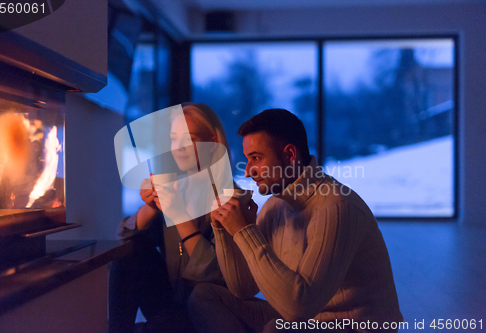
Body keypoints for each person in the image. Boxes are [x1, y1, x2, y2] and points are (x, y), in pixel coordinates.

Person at [188, 109, 403, 332]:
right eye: (247, 159)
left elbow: (298, 309)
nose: (249, 171)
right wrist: (224, 228)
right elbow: (243, 289)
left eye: (256, 158)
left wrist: (245, 232)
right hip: (306, 322)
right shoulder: (275, 205)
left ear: (290, 155)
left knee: (277, 329)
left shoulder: (338, 207)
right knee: (205, 296)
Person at [109, 103, 233, 333]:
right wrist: (150, 207)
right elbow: (123, 241)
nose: (179, 147)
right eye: (174, 139)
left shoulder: (233, 199)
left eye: (190, 139)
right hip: (171, 303)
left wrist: (178, 213)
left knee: (167, 325)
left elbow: (215, 274)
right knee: (133, 250)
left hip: (211, 309)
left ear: (213, 141)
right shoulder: (176, 188)